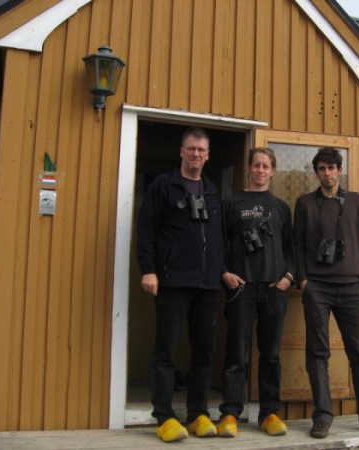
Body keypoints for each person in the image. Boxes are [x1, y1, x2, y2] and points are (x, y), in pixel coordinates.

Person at [293, 147, 359, 440]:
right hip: (317, 288)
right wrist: (303, 281)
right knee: (318, 353)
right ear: (316, 172)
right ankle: (323, 416)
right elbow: (298, 245)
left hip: (352, 288)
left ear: (340, 170)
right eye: (322, 169)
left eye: (332, 168)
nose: (327, 173)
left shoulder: (356, 202)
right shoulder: (304, 203)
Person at [137, 127, 224, 442]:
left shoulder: (212, 190)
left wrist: (222, 271)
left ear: (208, 155)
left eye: (201, 150)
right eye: (191, 148)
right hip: (172, 282)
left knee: (204, 352)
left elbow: (217, 238)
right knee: (166, 351)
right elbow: (147, 230)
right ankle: (164, 417)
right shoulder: (164, 185)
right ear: (181, 151)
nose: (196, 154)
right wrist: (149, 270)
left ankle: (198, 414)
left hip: (208, 285)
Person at [216, 147, 296, 438]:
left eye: (266, 166)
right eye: (257, 165)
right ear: (249, 168)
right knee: (236, 353)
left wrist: (288, 276)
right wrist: (224, 273)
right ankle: (230, 414)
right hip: (242, 289)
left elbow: (291, 249)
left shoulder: (281, 207)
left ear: (273, 171)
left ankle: (269, 413)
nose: (261, 170)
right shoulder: (231, 203)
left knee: (271, 355)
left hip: (274, 289)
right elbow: (217, 244)